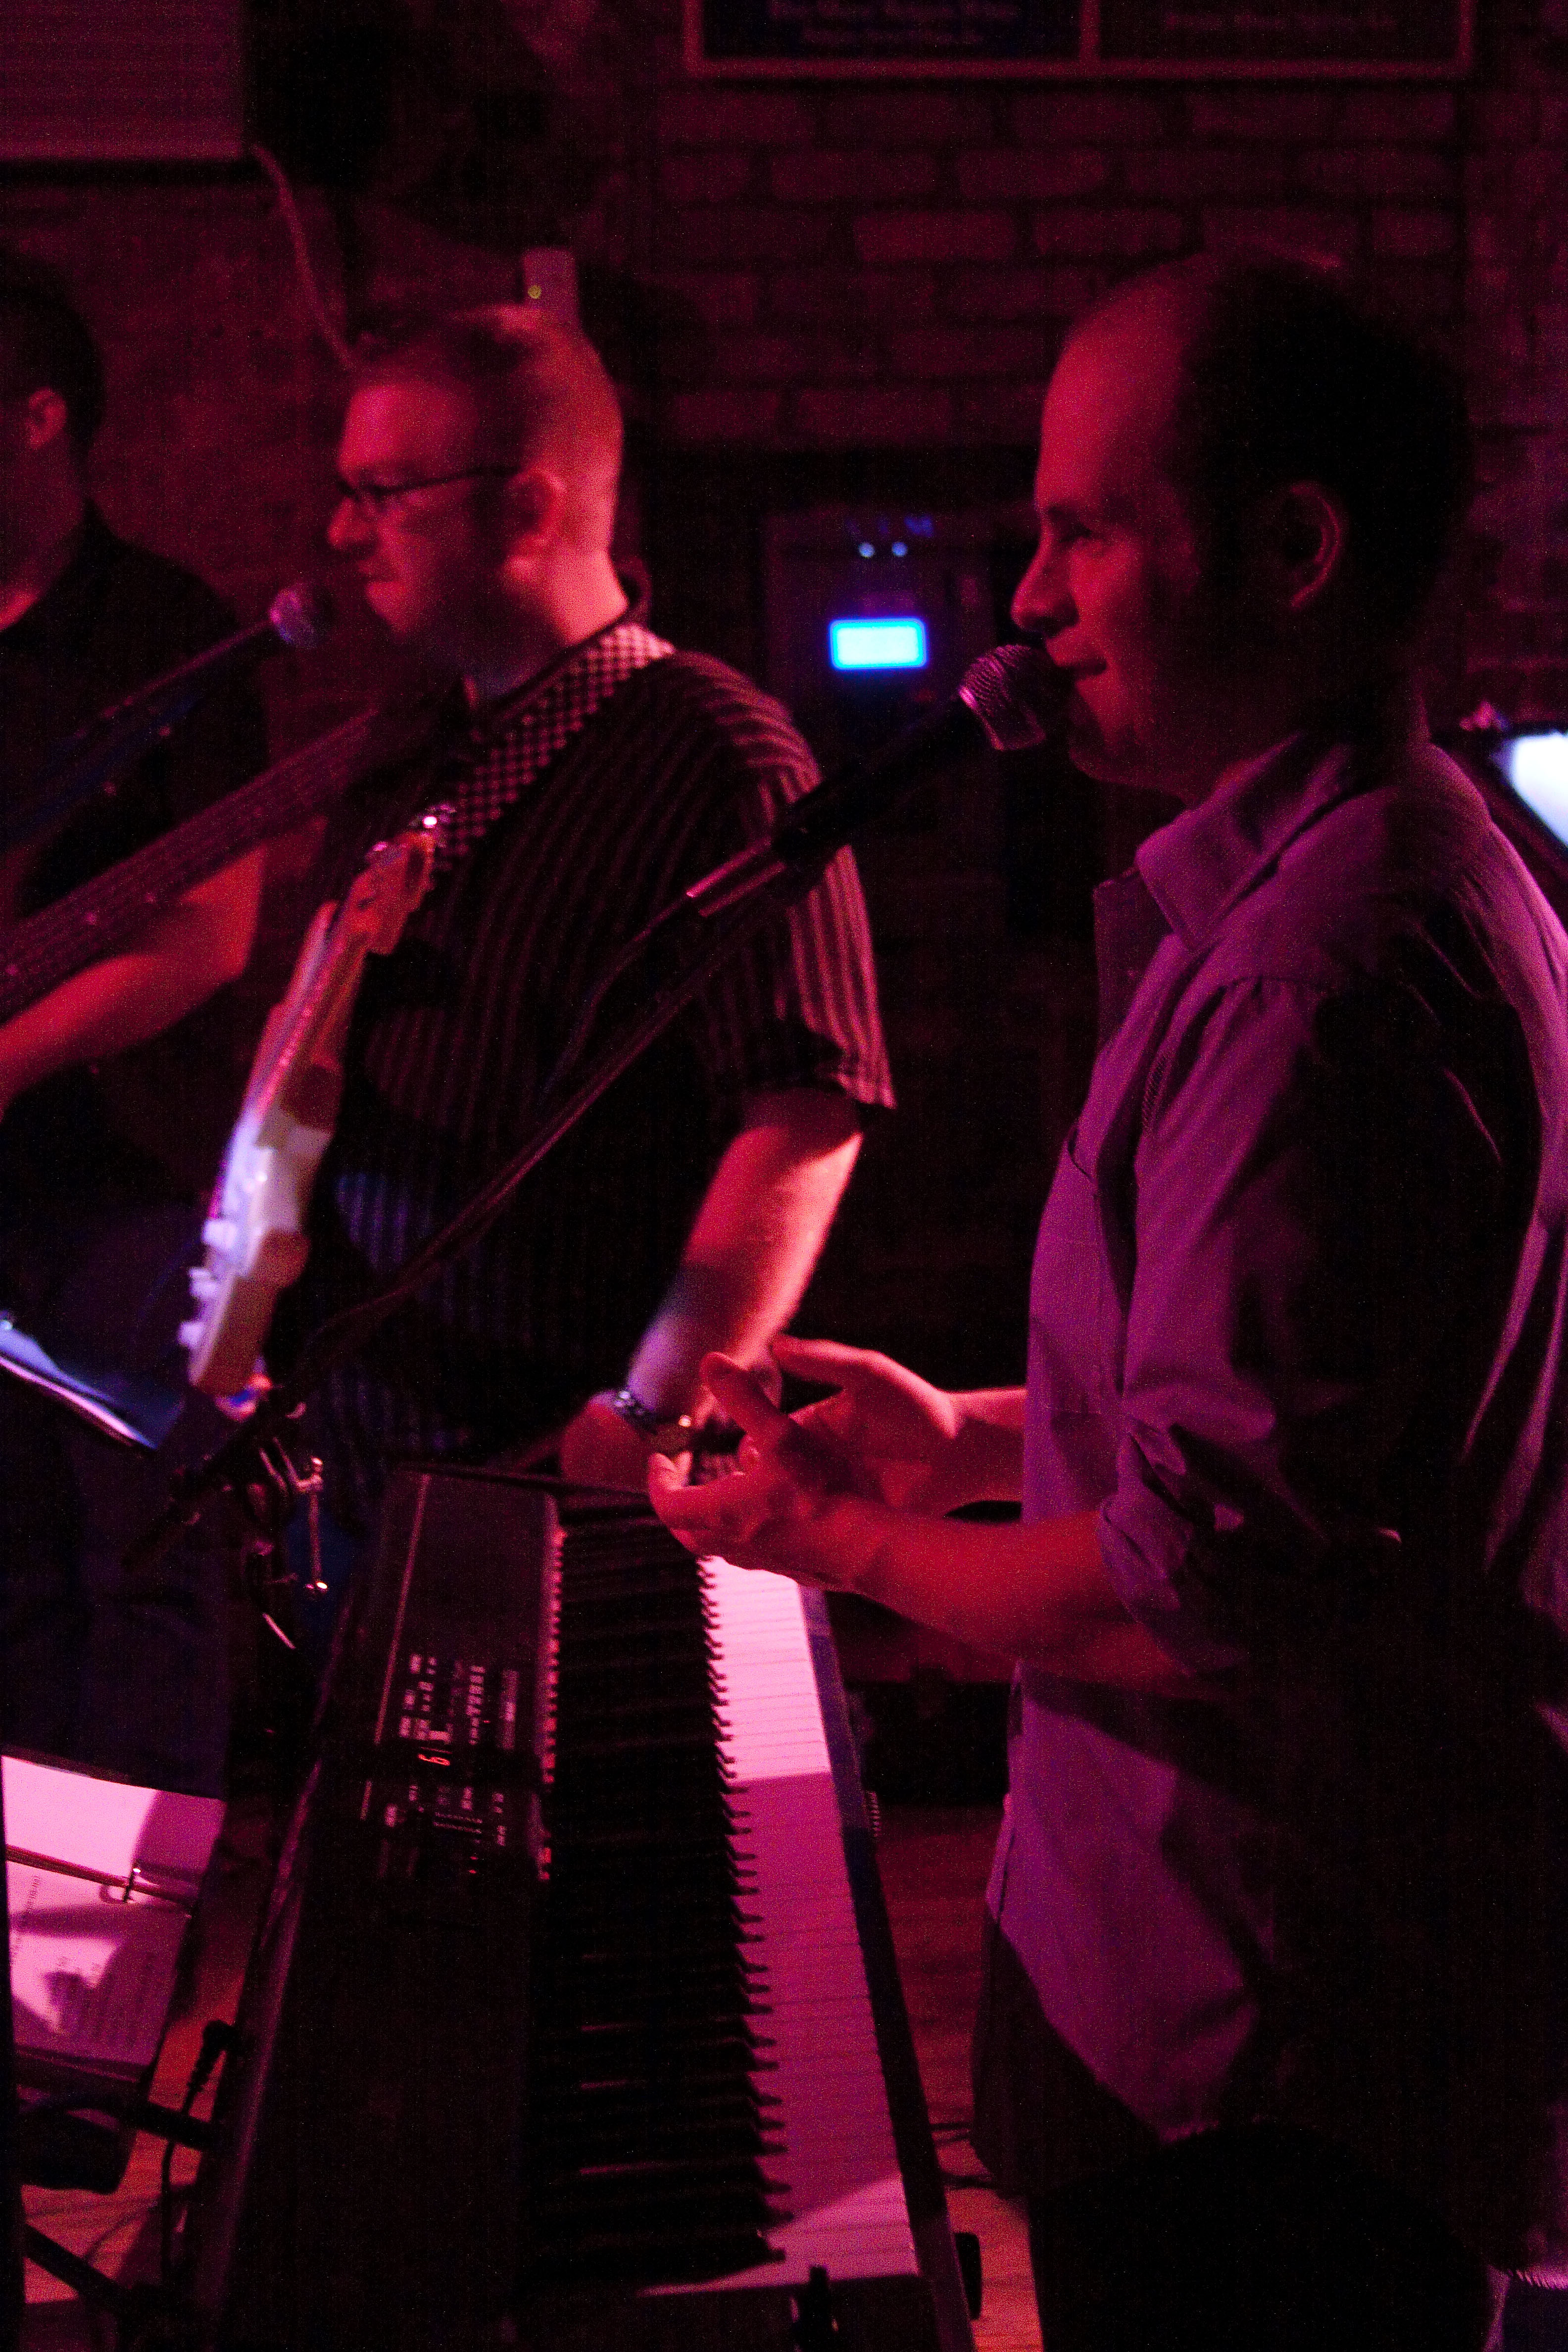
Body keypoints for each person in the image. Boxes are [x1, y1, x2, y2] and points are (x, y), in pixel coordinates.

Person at [650, 252, 1568, 2351]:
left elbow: (1197, 1588)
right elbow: (1312, 1434)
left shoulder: (1320, 979)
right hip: (1263, 2012)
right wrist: (961, 1438)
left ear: (1293, 551)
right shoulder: (1360, 887)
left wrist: (828, 1536)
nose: (1027, 601)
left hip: (1267, 2051)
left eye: (1082, 531)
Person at [267, 302, 889, 1590]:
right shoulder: (417, 748)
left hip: (562, 1483)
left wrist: (653, 1410)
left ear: (528, 510)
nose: (342, 532)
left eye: (384, 493)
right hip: (368, 1460)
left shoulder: (718, 754)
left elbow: (806, 1109)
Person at [0, 249, 267, 1793]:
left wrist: (9, 1060)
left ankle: (144, 1915)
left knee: (143, 1569)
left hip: (127, 1186)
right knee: (11, 1587)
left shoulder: (168, 633)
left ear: (37, 417)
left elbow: (212, 933)